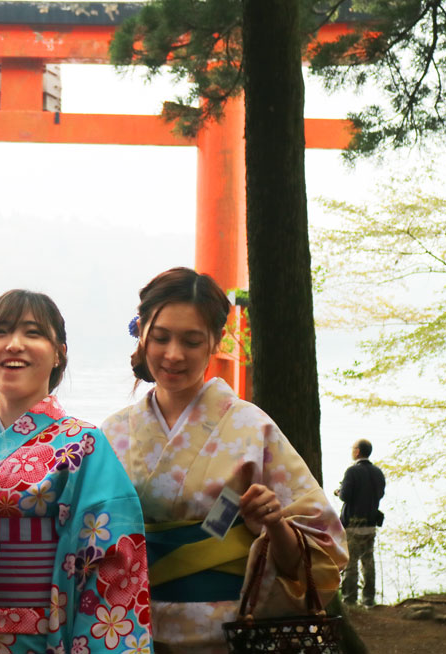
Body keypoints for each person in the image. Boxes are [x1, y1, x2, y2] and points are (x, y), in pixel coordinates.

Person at [101, 267, 347, 654]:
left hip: (233, 634)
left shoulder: (251, 426)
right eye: (161, 338)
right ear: (142, 333)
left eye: (192, 341)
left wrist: (275, 523)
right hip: (130, 629)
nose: (173, 354)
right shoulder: (112, 432)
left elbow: (325, 544)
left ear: (215, 341)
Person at [0, 289, 153, 654]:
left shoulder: (83, 446)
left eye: (33, 333)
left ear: (59, 353)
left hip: (45, 639)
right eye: (0, 332)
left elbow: (115, 562)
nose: (14, 344)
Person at [337, 439, 385, 606]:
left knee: (350, 562)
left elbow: (345, 496)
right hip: (371, 523)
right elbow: (380, 494)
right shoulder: (378, 472)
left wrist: (339, 490)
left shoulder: (352, 472)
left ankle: (349, 600)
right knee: (368, 561)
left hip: (353, 525)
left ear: (357, 452)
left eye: (353, 448)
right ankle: (368, 599)